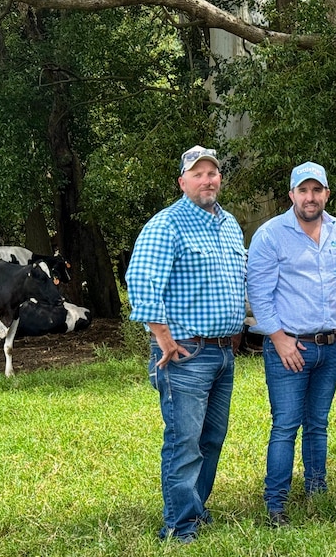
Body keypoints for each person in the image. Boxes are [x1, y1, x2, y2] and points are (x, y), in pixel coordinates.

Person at [126, 145, 247, 543]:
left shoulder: (229, 224)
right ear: (183, 181)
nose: (207, 180)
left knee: (211, 438)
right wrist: (163, 338)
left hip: (224, 352)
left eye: (212, 173)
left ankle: (194, 508)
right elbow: (142, 284)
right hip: (186, 354)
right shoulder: (167, 225)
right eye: (198, 174)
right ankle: (178, 526)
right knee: (184, 442)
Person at [247, 161, 336, 526]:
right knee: (286, 424)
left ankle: (318, 493)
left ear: (327, 194)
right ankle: (276, 505)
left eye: (317, 190)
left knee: (318, 423)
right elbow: (259, 292)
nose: (310, 197)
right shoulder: (270, 234)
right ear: (292, 195)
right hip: (290, 347)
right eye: (303, 190)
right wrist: (279, 339)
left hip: (329, 347)